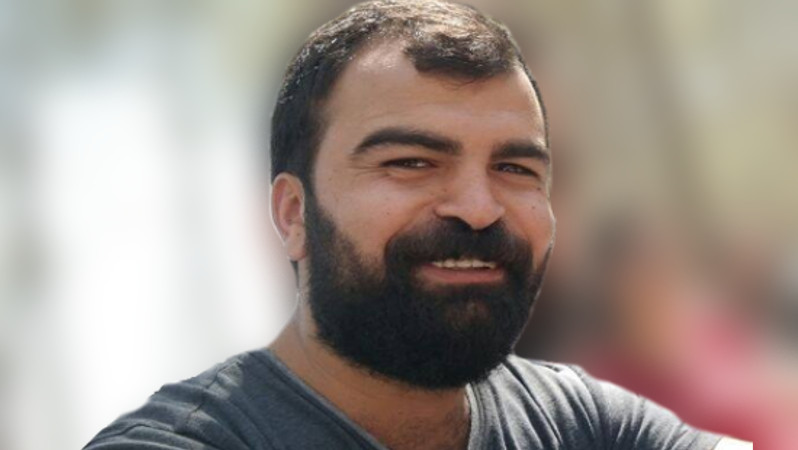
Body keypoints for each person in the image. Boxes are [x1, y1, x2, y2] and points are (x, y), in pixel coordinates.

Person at [85, 1, 752, 449]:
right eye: (410, 162)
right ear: (293, 214)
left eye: (516, 168)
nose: (479, 207)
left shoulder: (581, 422)